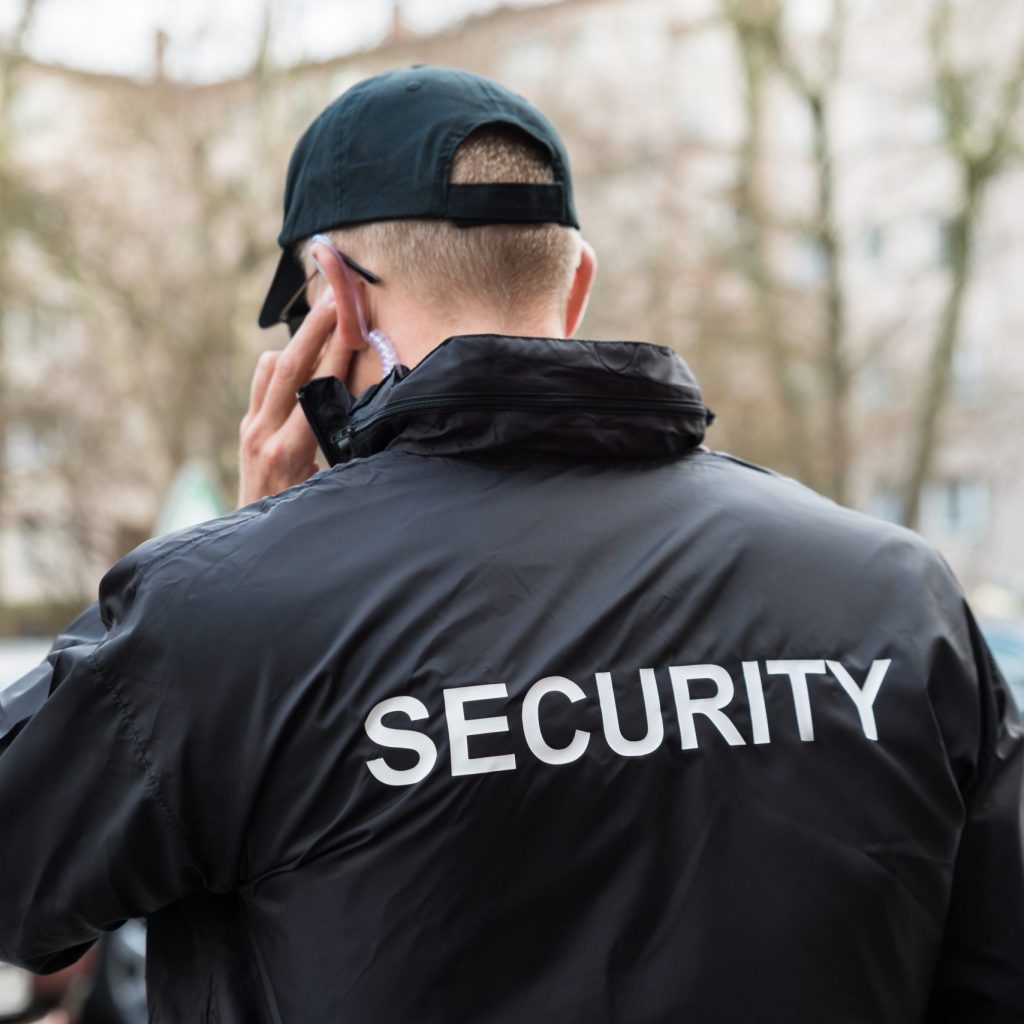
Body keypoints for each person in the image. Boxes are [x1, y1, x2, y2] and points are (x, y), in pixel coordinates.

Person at [0, 64, 1022, 1024]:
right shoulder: (894, 591)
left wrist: (238, 547)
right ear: (573, 287)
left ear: (339, 301)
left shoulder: (221, 615)